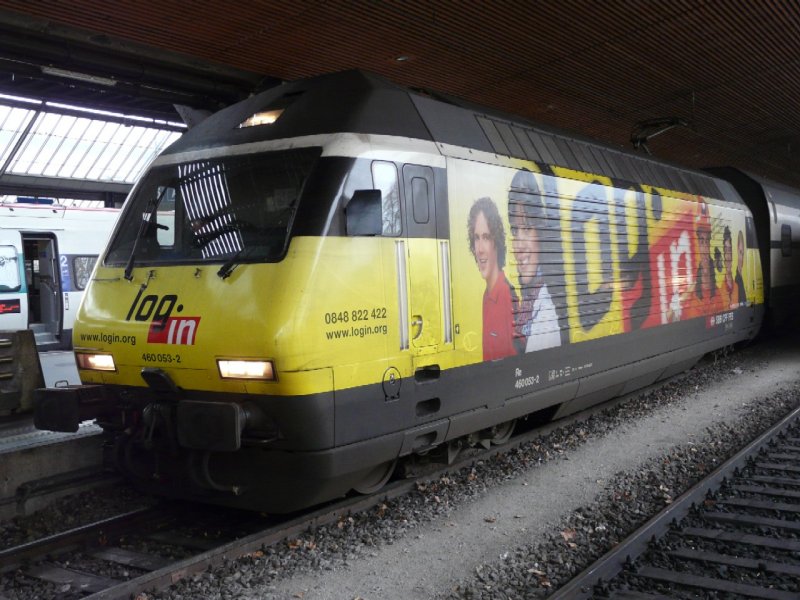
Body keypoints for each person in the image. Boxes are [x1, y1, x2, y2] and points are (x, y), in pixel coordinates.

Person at [507, 170, 561, 352]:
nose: (518, 246)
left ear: (542, 232)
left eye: (527, 228)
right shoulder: (529, 303)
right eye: (515, 231)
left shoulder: (546, 311)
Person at [468, 197, 517, 360]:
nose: (480, 249)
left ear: (496, 242)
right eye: (476, 238)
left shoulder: (506, 295)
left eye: (486, 237)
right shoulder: (486, 296)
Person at [721, 226, 735, 309]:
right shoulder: (720, 288)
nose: (728, 256)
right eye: (726, 251)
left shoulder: (737, 286)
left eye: (730, 250)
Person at [734, 230, 747, 306]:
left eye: (743, 253)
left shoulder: (742, 278)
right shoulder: (736, 281)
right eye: (740, 252)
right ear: (737, 251)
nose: (741, 257)